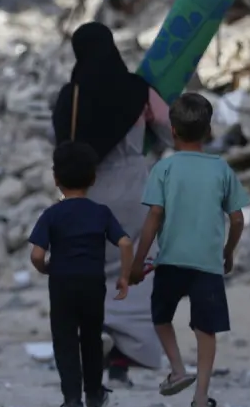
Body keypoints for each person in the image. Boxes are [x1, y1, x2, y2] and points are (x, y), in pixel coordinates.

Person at [51, 21, 170, 387]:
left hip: (89, 190)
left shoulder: (70, 96)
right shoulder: (137, 89)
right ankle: (123, 357)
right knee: (136, 265)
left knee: (92, 268)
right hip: (135, 188)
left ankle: (97, 338)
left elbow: (62, 148)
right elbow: (171, 130)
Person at [131, 93, 249, 407]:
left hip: (170, 260)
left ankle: (178, 368)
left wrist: (138, 262)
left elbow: (154, 217)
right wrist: (228, 252)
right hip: (208, 264)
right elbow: (237, 219)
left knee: (160, 316)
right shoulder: (222, 169)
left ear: (172, 129)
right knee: (205, 329)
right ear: (209, 130)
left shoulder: (164, 168)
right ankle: (200, 398)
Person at [30, 141, 133, 407]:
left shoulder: (52, 214)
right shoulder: (101, 212)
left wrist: (46, 268)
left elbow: (36, 254)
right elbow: (125, 243)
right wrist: (124, 276)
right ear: (93, 178)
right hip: (92, 284)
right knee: (91, 338)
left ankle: (72, 403)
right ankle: (95, 395)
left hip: (61, 284)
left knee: (64, 340)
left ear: (56, 179)